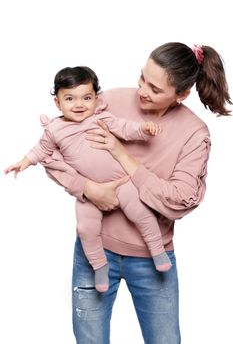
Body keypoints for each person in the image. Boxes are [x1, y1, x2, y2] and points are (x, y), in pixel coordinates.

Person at [33, 42, 231, 344]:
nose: (141, 91)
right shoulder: (108, 101)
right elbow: (53, 150)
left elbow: (180, 199)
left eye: (154, 88)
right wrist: (88, 188)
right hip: (93, 251)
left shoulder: (194, 133)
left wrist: (122, 155)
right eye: (142, 78)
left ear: (181, 95)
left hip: (152, 260)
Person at [4, 66, 172, 293]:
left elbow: (125, 128)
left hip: (120, 181)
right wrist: (24, 162)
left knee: (141, 213)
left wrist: (143, 129)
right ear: (57, 103)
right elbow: (41, 150)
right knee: (86, 228)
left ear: (96, 99)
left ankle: (157, 250)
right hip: (88, 194)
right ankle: (100, 266)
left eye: (87, 97)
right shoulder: (55, 129)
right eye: (70, 98)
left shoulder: (101, 118)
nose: (79, 104)